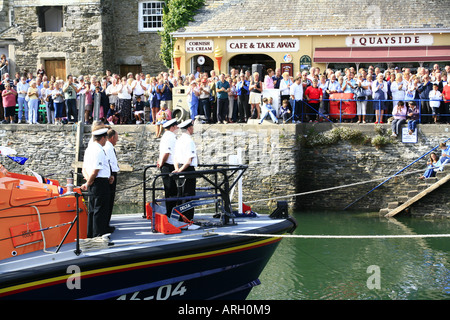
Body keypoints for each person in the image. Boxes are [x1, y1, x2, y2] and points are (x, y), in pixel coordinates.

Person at [81, 128, 113, 238]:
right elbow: (96, 170)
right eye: (106, 139)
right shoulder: (99, 150)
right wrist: (89, 183)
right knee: (100, 209)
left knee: (92, 209)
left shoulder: (89, 149)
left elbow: (84, 169)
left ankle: (91, 233)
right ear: (103, 138)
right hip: (99, 183)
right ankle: (99, 235)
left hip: (94, 182)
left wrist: (88, 181)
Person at [173, 119, 198, 221]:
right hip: (187, 169)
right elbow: (189, 160)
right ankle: (188, 218)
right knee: (188, 194)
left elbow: (175, 158)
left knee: (180, 194)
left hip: (179, 167)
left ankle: (179, 217)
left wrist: (177, 169)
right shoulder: (189, 140)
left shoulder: (178, 140)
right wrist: (181, 170)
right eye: (192, 127)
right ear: (189, 128)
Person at [156, 118, 179, 217]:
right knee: (170, 190)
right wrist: (161, 162)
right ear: (172, 127)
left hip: (169, 165)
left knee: (172, 190)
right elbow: (167, 153)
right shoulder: (169, 137)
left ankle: (171, 212)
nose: (178, 128)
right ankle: (170, 213)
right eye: (176, 126)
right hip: (168, 166)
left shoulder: (169, 136)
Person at [103, 128, 119, 232]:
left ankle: (107, 223)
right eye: (117, 137)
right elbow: (108, 163)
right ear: (112, 137)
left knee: (110, 200)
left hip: (112, 173)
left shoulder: (109, 147)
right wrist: (110, 175)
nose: (117, 140)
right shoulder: (108, 148)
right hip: (110, 174)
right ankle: (105, 224)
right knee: (108, 201)